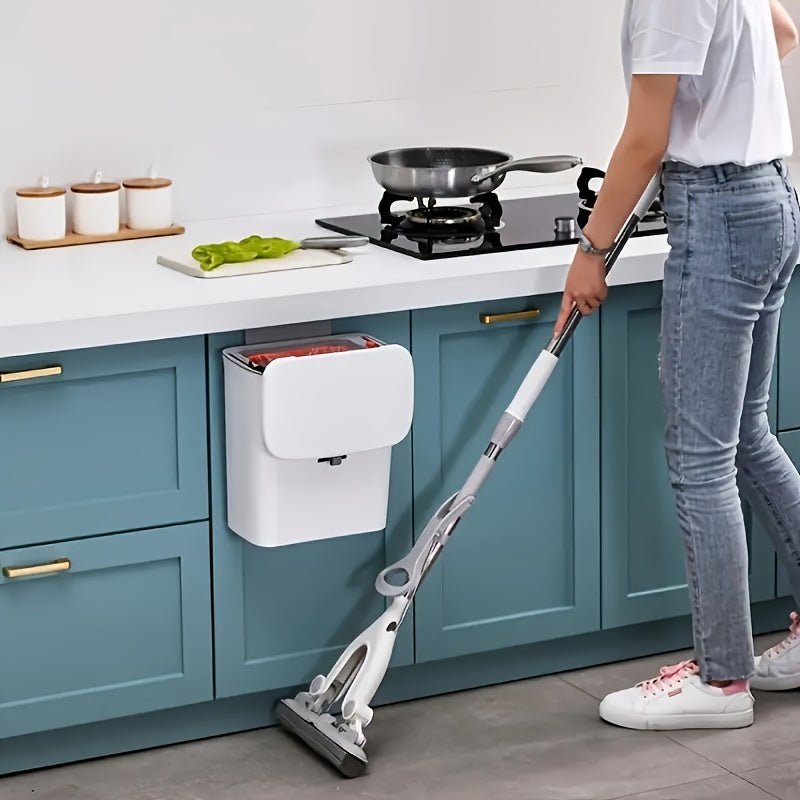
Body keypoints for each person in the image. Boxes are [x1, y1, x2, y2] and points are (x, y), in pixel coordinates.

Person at [553, 0, 800, 730]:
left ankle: (722, 680)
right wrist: (726, 100)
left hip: (722, 211)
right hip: (771, 194)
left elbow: (642, 143)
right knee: (745, 436)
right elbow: (785, 32)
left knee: (700, 459)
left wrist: (589, 255)